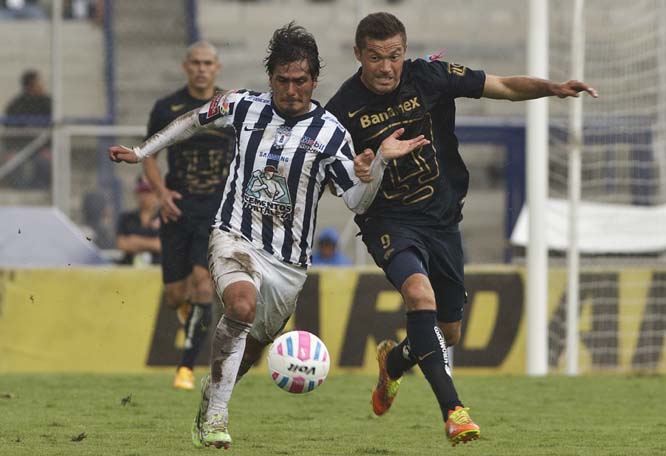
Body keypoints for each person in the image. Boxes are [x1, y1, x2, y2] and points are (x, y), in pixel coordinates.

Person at [108, 22, 429, 450]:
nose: (291, 90)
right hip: (234, 235)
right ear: (271, 78)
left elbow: (357, 199)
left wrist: (378, 167)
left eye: (300, 81)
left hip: (288, 263)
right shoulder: (243, 106)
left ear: (314, 80)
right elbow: (191, 121)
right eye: (283, 80)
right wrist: (142, 152)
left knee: (254, 347)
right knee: (240, 304)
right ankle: (218, 418)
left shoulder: (331, 133)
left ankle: (211, 396)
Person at [325, 12, 598, 446]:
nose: (386, 67)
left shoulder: (429, 77)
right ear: (359, 55)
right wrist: (359, 167)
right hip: (389, 221)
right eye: (375, 57)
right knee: (419, 295)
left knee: (448, 332)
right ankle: (455, 411)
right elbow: (329, 176)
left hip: (443, 219)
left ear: (404, 51)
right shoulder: (341, 111)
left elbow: (504, 86)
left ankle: (395, 363)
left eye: (394, 55)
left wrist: (553, 88)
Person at [141, 40, 236, 391]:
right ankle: (191, 319)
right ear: (186, 66)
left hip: (215, 210)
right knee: (174, 295)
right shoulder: (168, 107)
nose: (201, 68)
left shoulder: (231, 106)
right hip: (177, 208)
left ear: (217, 67)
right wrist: (161, 194)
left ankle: (186, 368)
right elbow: (149, 154)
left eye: (207, 62)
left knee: (203, 284)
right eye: (195, 62)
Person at [2, 69, 52, 188]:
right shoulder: (16, 105)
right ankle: (20, 189)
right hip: (20, 146)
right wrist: (11, 150)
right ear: (30, 86)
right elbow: (9, 131)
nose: (41, 85)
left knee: (45, 162)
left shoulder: (47, 103)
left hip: (41, 148)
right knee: (11, 161)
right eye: (38, 82)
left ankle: (40, 188)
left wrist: (48, 148)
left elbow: (53, 129)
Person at [116, 176, 161, 266]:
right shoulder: (127, 218)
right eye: (141, 192)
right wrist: (151, 243)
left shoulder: (165, 218)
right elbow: (121, 244)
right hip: (130, 269)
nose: (144, 197)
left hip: (157, 269)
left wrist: (134, 240)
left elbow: (161, 245)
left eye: (148, 192)